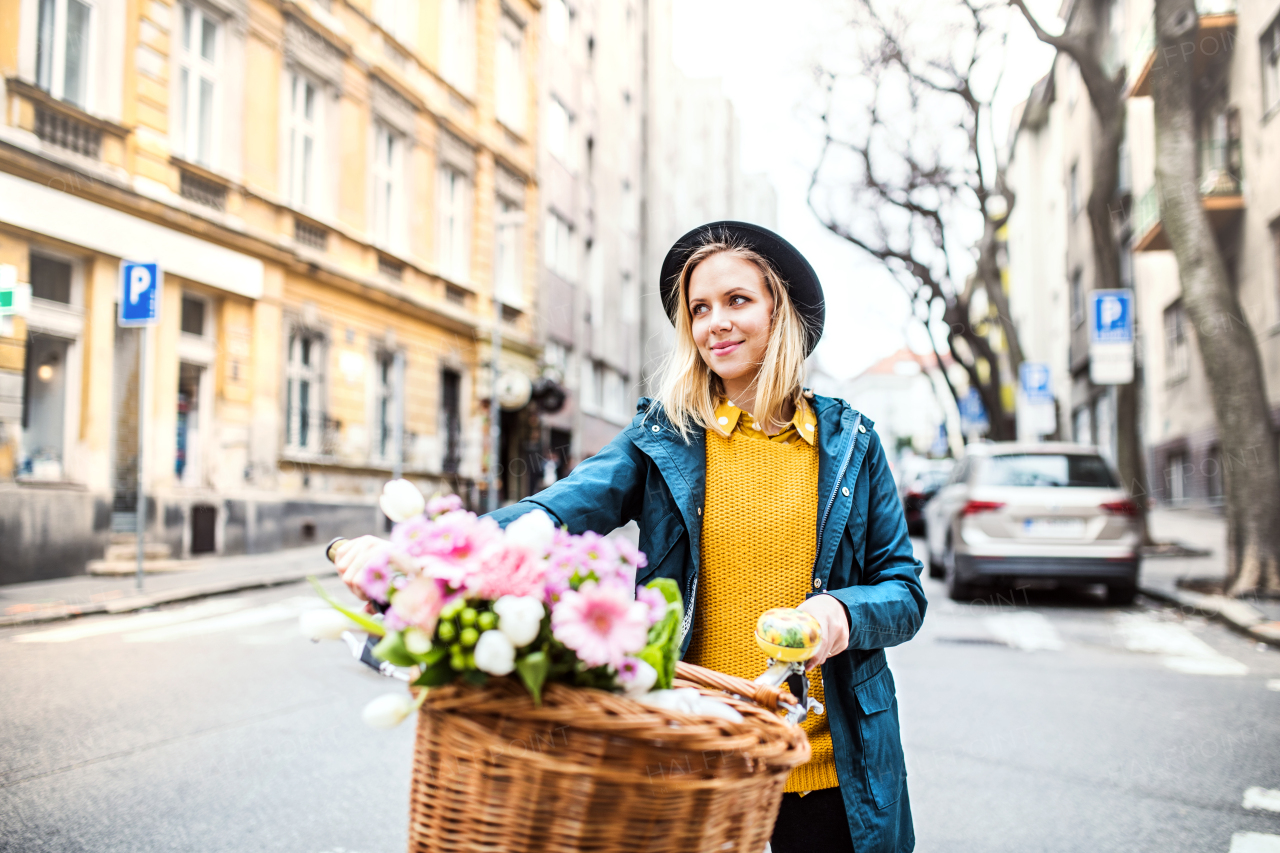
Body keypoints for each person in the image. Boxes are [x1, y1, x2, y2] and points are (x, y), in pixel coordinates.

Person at [335, 221, 926, 853]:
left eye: (736, 301)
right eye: (699, 309)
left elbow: (904, 592)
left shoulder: (850, 444)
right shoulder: (665, 437)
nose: (714, 324)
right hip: (699, 765)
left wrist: (839, 612)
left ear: (779, 311)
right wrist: (434, 552)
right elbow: (557, 510)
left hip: (831, 775)